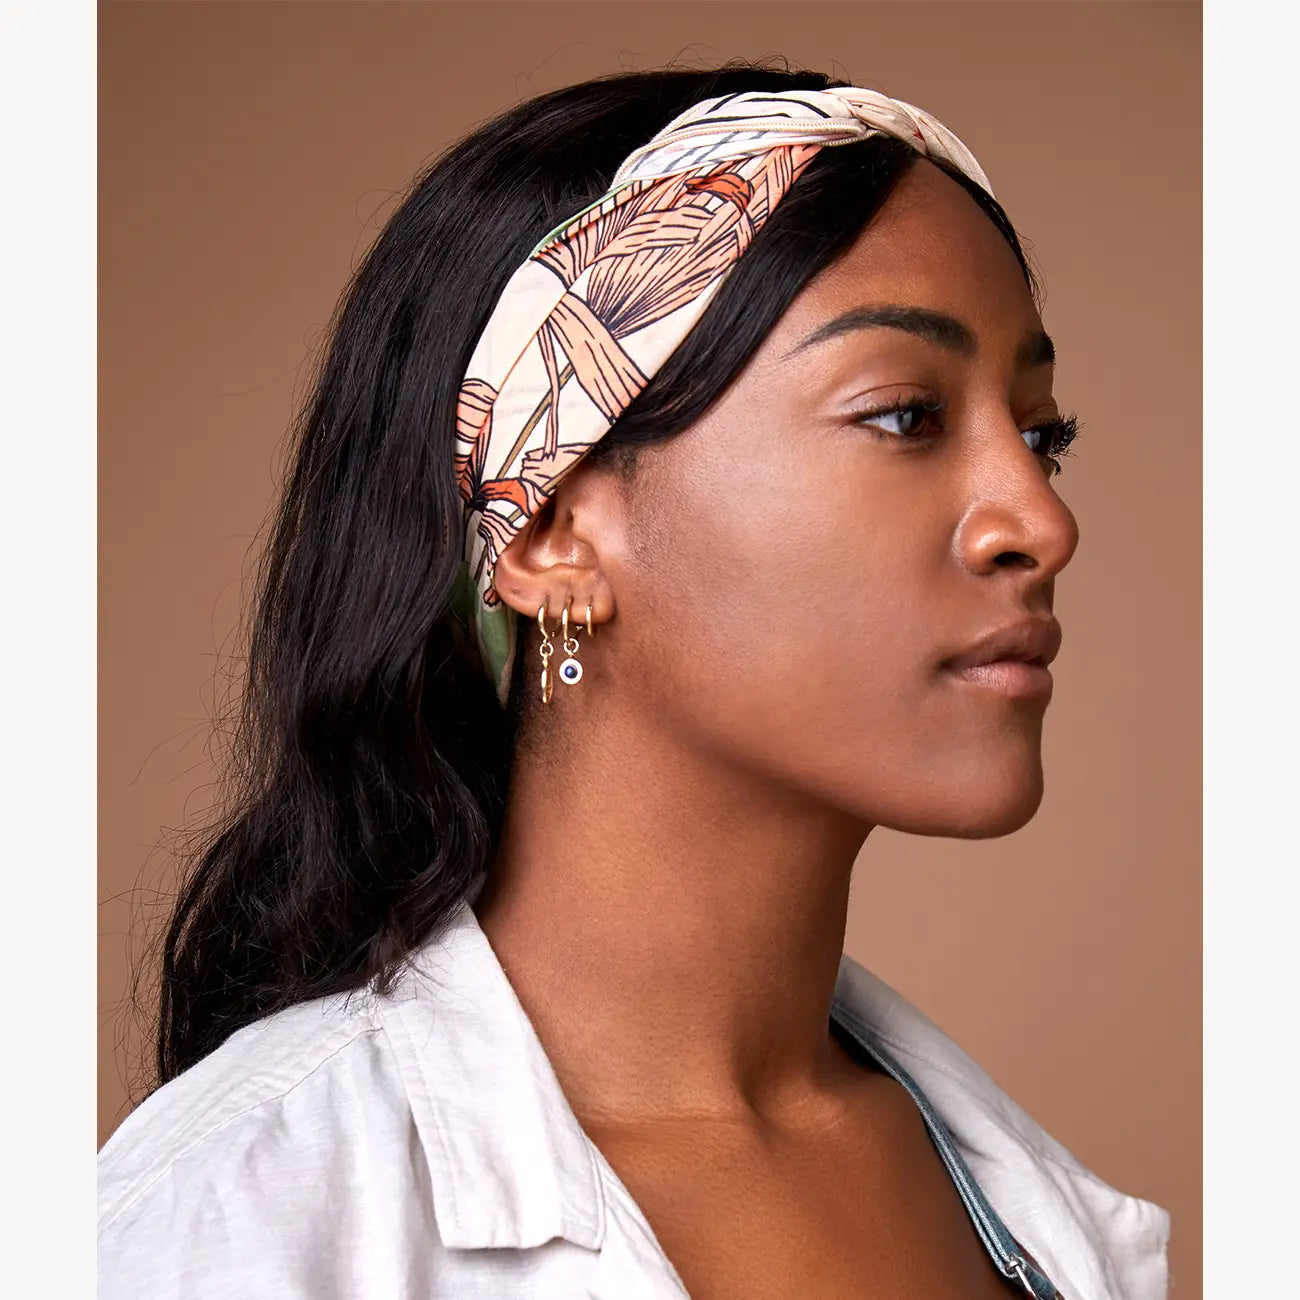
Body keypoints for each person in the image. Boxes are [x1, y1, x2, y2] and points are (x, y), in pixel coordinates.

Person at [97, 63, 1171, 1299]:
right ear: (553, 528)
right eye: (903, 415)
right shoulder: (230, 1217)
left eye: (1041, 434)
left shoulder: (1021, 1204)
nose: (1039, 521)